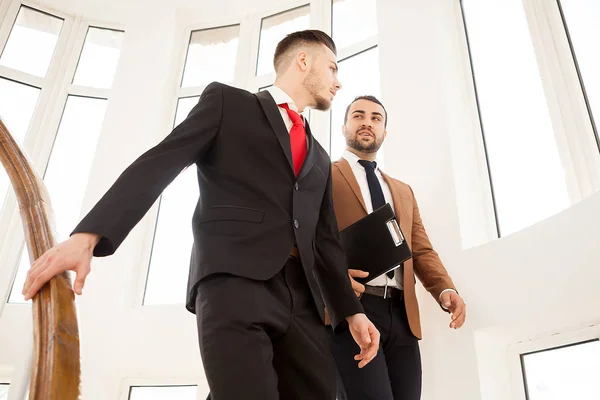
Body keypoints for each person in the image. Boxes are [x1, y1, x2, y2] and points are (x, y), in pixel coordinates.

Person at [21, 31, 381, 400]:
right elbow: (161, 162)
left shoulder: (320, 156)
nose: (339, 82)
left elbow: (325, 241)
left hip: (304, 300)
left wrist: (351, 312)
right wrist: (89, 236)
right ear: (303, 60)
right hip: (234, 283)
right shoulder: (228, 103)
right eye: (333, 68)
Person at [329, 95, 466, 400]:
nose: (367, 122)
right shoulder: (323, 176)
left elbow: (420, 248)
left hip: (402, 316)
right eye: (359, 116)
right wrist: (334, 278)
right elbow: (309, 240)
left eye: (376, 118)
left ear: (384, 132)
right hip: (354, 307)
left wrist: (445, 289)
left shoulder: (402, 190)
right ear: (344, 127)